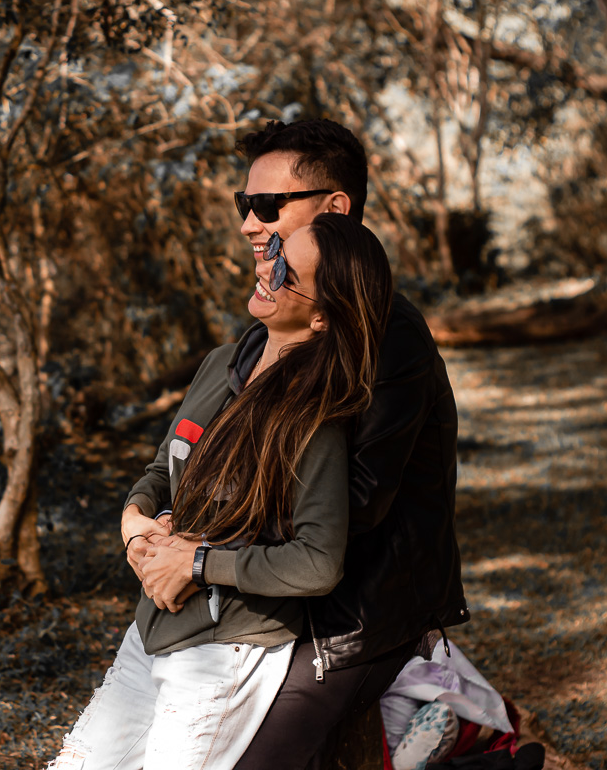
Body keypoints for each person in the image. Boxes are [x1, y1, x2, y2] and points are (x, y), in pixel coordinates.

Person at [124, 119, 470, 770]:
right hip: (269, 598)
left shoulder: (387, 333)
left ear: (335, 208)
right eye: (243, 206)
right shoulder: (263, 331)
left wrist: (197, 550)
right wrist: (170, 526)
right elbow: (214, 461)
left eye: (267, 206)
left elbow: (357, 505)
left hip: (350, 618)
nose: (249, 224)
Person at [49, 213, 395, 770]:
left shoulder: (313, 421)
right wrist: (136, 523)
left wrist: (198, 562)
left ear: (324, 316)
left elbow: (318, 562)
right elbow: (164, 467)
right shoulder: (218, 365)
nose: (268, 267)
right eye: (276, 251)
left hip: (225, 652)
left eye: (289, 272)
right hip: (149, 630)